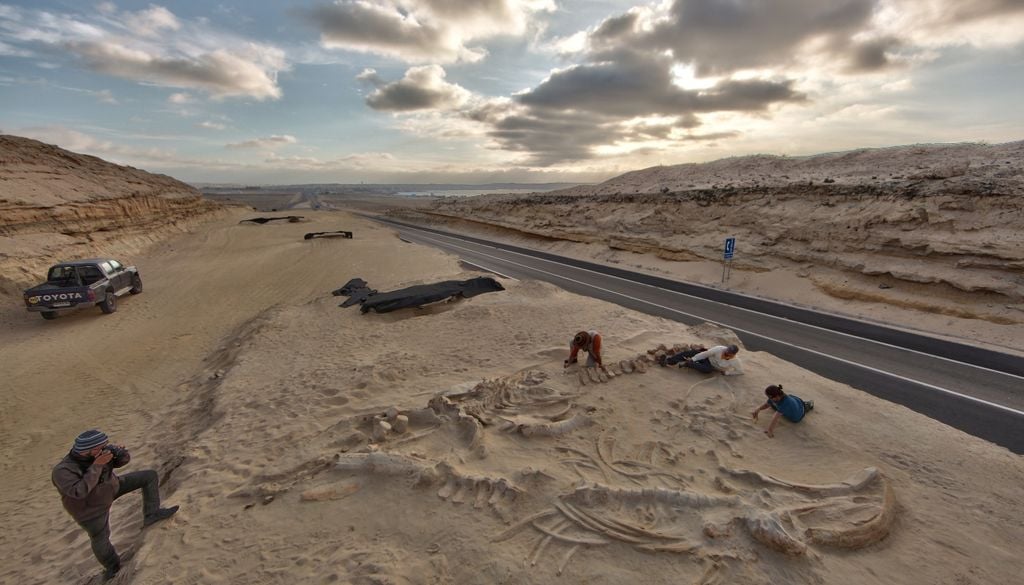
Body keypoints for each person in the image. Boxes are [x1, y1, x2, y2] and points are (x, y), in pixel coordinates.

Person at [52, 429, 179, 580]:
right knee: (100, 538)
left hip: (112, 488)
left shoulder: (101, 453)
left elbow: (121, 463)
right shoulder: (62, 471)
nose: (106, 448)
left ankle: (152, 514)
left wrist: (121, 455)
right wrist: (97, 465)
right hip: (90, 509)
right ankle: (112, 567)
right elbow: (79, 492)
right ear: (90, 450)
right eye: (102, 446)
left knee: (149, 476)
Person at [658, 344, 742, 375]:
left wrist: (727, 372)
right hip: (706, 358)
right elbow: (705, 354)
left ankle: (688, 364)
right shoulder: (719, 349)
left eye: (729, 352)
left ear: (733, 354)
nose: (726, 352)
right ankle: (668, 361)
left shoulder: (735, 361)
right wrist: (693, 358)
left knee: (707, 370)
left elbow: (740, 371)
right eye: (726, 350)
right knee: (691, 352)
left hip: (710, 366)